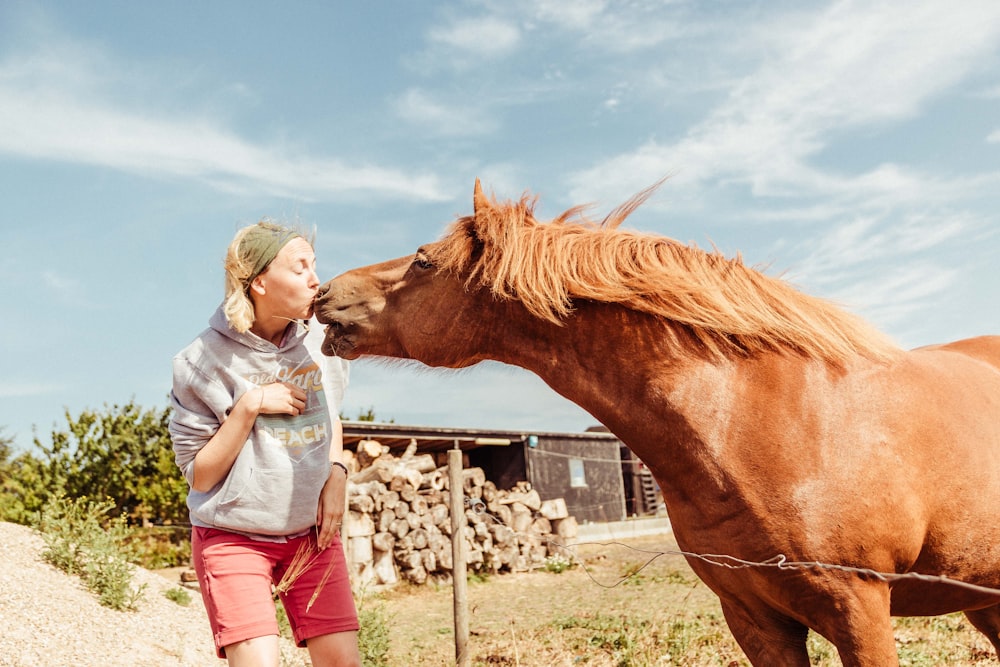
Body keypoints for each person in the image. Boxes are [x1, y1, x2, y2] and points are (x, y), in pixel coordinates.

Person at [169, 220, 361, 666]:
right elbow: (200, 473)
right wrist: (250, 405)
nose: (316, 280)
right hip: (233, 537)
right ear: (259, 282)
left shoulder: (321, 344)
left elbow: (330, 415)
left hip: (313, 538)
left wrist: (337, 472)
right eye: (300, 269)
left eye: (315, 266)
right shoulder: (199, 361)